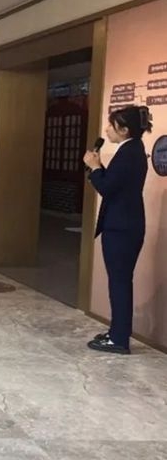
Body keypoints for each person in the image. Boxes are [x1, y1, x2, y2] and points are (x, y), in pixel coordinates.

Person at [83, 105, 151, 355]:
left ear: (124, 129)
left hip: (122, 228)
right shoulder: (132, 150)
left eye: (111, 126)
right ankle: (116, 332)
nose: (107, 130)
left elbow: (108, 188)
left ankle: (119, 338)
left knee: (119, 283)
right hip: (125, 225)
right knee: (120, 281)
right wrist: (98, 167)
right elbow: (115, 184)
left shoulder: (129, 153)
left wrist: (95, 168)